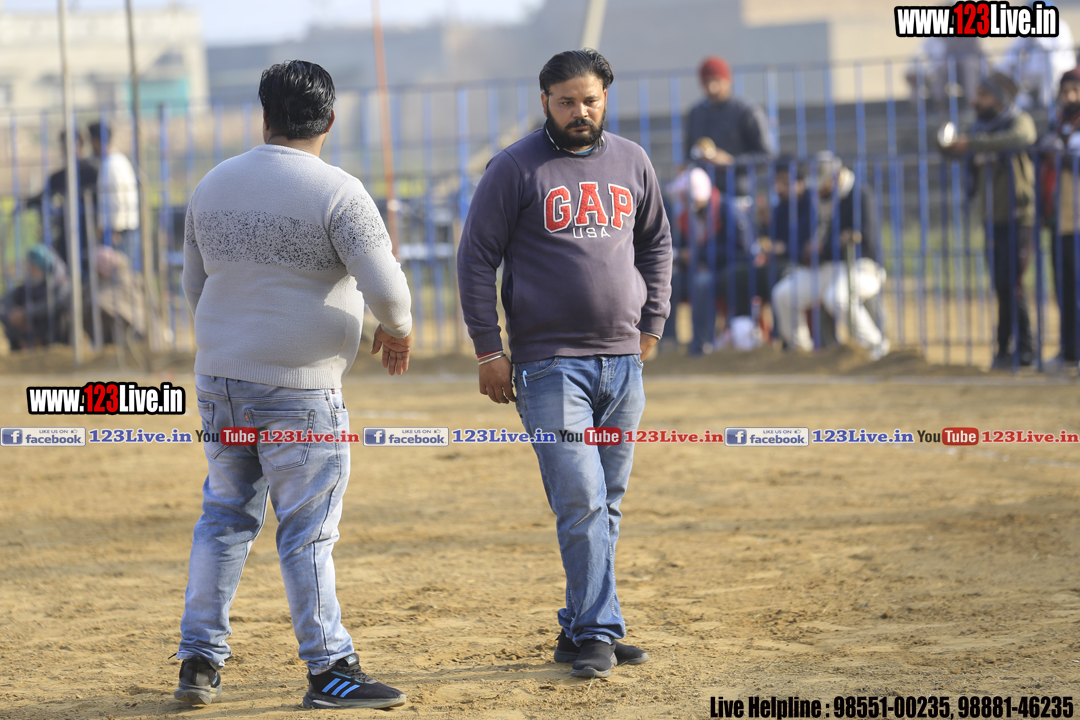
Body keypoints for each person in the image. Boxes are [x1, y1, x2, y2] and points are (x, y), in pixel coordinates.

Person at [177, 60, 413, 710]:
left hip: (221, 382)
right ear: (330, 119)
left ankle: (199, 661)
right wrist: (398, 330)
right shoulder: (339, 192)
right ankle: (329, 669)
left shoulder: (212, 185)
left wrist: (232, 340)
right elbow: (390, 292)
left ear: (265, 117)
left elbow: (195, 288)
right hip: (301, 392)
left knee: (223, 519)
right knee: (307, 532)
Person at [457, 49, 671, 679]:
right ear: (545, 101)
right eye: (567, 101)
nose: (581, 111)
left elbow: (656, 244)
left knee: (607, 502)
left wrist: (652, 323)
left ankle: (580, 628)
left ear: (605, 98)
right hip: (549, 367)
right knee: (581, 499)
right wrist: (489, 350)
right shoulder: (514, 168)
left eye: (591, 100)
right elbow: (475, 259)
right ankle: (601, 632)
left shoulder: (633, 161)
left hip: (622, 362)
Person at [940, 72, 1037, 368]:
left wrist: (975, 144)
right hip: (992, 219)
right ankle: (1003, 349)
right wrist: (947, 143)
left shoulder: (1017, 120)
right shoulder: (978, 129)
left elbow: (1023, 138)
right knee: (1000, 285)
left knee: (1013, 284)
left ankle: (1026, 349)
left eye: (983, 95)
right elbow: (957, 151)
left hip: (1019, 217)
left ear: (999, 99)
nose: (975, 100)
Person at [770, 153, 889, 358]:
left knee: (838, 298)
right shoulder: (817, 199)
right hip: (827, 268)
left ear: (836, 177)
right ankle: (801, 353)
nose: (818, 188)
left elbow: (865, 240)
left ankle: (876, 348)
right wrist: (809, 250)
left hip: (862, 266)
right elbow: (806, 240)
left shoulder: (859, 195)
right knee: (783, 295)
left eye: (822, 183)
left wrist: (826, 246)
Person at [1036, 67, 1080, 372]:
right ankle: (1069, 352)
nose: (1070, 97)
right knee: (1064, 290)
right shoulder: (1057, 126)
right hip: (1060, 221)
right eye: (1065, 92)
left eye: (1075, 91)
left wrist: (1063, 154)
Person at [684, 55, 773, 196]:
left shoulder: (747, 111)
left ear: (728, 80)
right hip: (704, 196)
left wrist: (731, 161)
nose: (712, 88)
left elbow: (766, 157)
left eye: (716, 81)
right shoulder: (696, 113)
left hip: (738, 193)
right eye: (706, 83)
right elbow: (688, 155)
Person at [25, 129, 99, 279]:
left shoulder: (91, 172)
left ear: (80, 145)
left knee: (88, 268)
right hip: (66, 229)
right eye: (64, 145)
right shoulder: (59, 176)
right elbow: (43, 196)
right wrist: (24, 203)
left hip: (88, 228)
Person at [996, 0, 1076, 109]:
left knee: (1051, 65)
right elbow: (1012, 51)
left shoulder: (1061, 26)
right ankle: (1023, 103)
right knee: (1007, 68)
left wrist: (1038, 36)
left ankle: (1047, 104)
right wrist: (1005, 66)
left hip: (1059, 68)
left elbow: (1055, 54)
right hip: (1035, 69)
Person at [88, 121, 140, 269]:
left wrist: (113, 230)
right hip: (122, 230)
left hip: (119, 233)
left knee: (121, 275)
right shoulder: (118, 160)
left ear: (96, 142)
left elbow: (116, 200)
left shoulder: (111, 164)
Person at [0, 244, 71, 350]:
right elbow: (3, 304)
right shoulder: (24, 289)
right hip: (25, 340)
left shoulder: (60, 285)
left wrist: (26, 313)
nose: (29, 270)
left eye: (33, 266)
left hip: (54, 340)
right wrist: (13, 316)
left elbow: (57, 303)